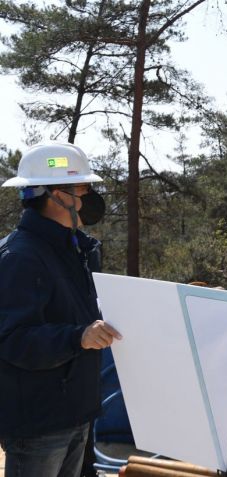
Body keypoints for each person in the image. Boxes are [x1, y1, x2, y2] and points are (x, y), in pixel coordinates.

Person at [0, 141, 122, 477]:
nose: (89, 197)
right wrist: (78, 338)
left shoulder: (75, 249)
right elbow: (12, 339)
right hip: (38, 423)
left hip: (77, 410)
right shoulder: (19, 258)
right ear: (56, 195)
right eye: (82, 187)